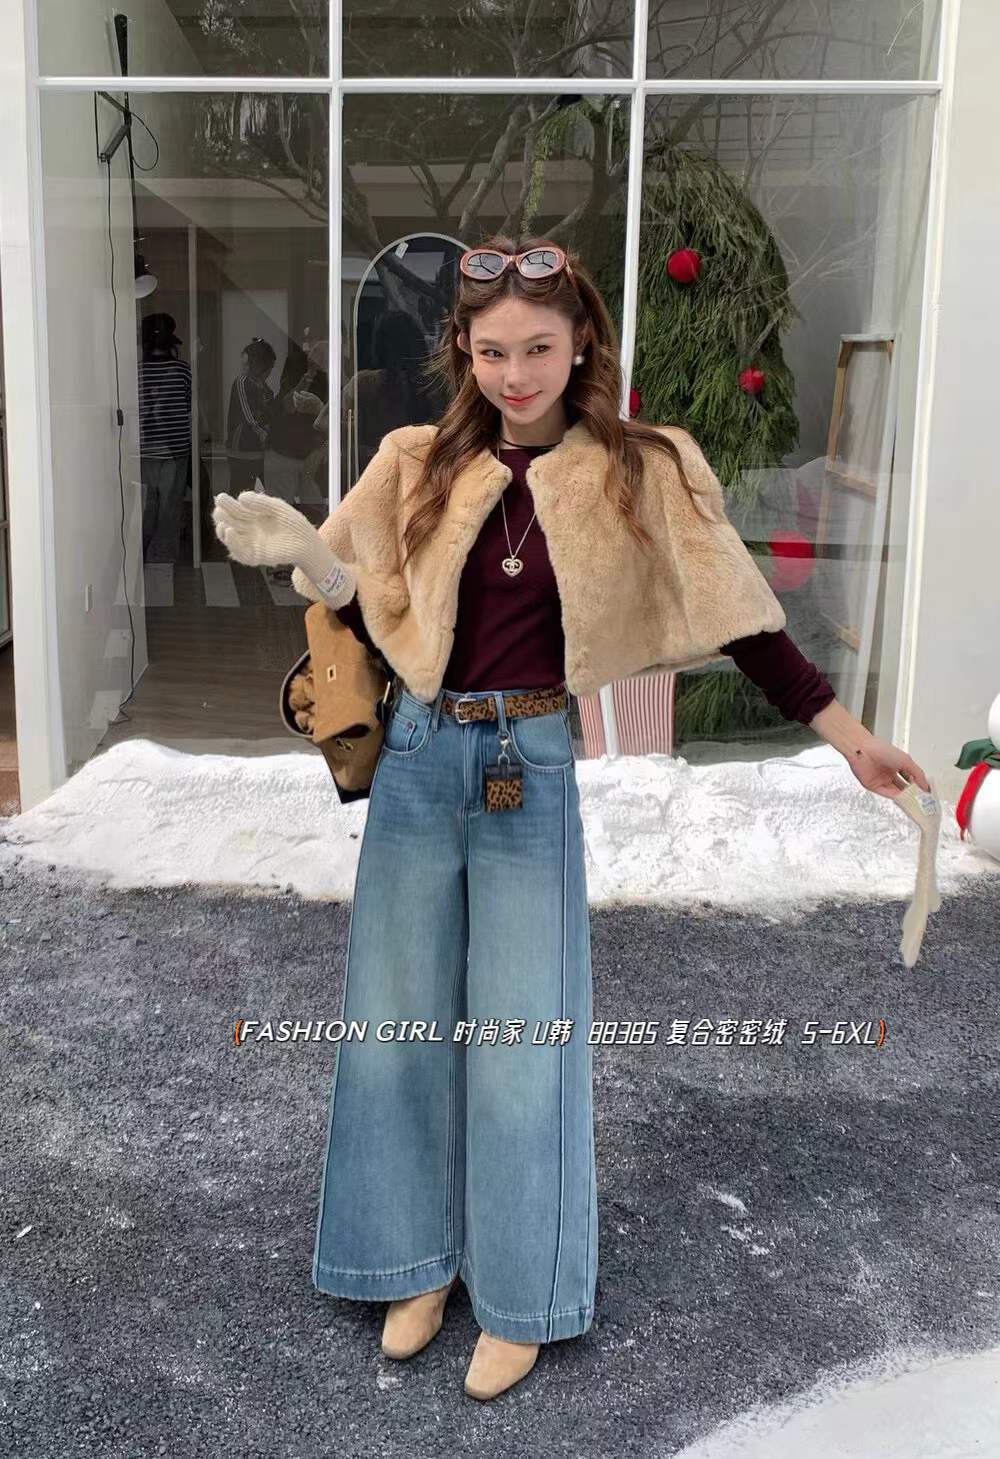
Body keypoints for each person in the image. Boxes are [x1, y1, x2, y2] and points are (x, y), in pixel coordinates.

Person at [211, 236, 930, 1401]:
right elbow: (370, 610)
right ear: (462, 349)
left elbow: (742, 617)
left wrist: (847, 735)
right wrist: (318, 564)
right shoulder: (413, 461)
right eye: (491, 350)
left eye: (537, 348)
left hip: (528, 758)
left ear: (582, 340)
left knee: (522, 1040)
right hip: (419, 757)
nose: (514, 373)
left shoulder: (640, 469)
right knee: (391, 1023)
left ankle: (523, 1289)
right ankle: (409, 1262)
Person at [137, 312, 192, 562]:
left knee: (148, 504)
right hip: (175, 448)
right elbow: (189, 406)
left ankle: (141, 556)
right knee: (170, 505)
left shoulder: (137, 371)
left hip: (146, 447)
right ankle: (163, 558)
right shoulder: (181, 370)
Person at [264, 335, 329, 507]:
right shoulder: (296, 362)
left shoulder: (335, 370)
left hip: (313, 457)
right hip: (283, 454)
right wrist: (309, 374)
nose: (318, 353)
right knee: (281, 513)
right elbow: (288, 405)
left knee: (315, 509)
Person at [226, 337, 276, 496]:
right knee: (239, 491)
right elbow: (247, 413)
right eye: (268, 368)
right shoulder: (242, 382)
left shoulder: (265, 388)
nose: (269, 372)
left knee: (262, 492)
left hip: (260, 450)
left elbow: (270, 413)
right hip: (242, 448)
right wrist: (262, 433)